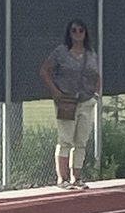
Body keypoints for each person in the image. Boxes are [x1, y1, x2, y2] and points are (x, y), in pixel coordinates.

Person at [38, 19, 101, 190]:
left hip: (86, 101)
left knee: (81, 141)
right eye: (74, 30)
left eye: (81, 30)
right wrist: (55, 92)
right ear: (69, 33)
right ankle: (62, 178)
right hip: (67, 101)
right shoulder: (61, 52)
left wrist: (95, 94)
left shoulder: (91, 54)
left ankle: (77, 178)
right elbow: (44, 70)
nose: (78, 33)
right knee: (65, 139)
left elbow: (97, 75)